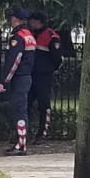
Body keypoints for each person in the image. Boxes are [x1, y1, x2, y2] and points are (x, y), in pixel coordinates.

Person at [0, 8, 37, 154]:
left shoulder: (18, 37)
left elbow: (14, 61)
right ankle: (21, 142)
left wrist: (4, 81)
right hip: (27, 76)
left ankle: (21, 145)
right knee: (21, 109)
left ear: (15, 19)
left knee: (19, 110)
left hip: (19, 78)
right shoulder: (29, 35)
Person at [28, 11, 62, 142]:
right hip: (29, 74)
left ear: (39, 22)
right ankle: (24, 131)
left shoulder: (51, 36)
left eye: (33, 21)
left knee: (43, 104)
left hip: (43, 76)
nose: (31, 23)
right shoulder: (29, 34)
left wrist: (48, 70)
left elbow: (57, 58)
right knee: (26, 103)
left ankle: (42, 132)